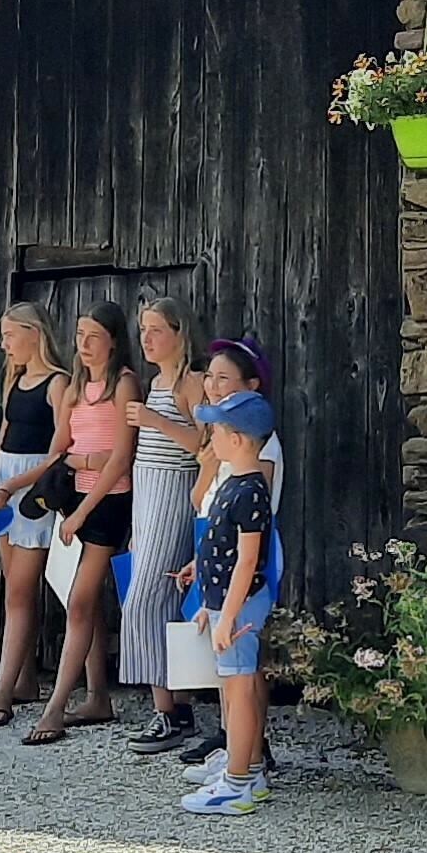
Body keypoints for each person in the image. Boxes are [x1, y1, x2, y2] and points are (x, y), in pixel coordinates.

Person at [25, 303, 137, 742]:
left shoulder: (124, 384)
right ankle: (97, 695)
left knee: (80, 600)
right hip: (72, 496)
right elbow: (59, 448)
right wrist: (21, 483)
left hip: (106, 501)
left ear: (112, 339)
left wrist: (83, 509)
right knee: (78, 599)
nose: (84, 344)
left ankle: (54, 708)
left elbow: (121, 459)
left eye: (93, 336)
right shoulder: (75, 385)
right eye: (79, 335)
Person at [176, 351, 279, 817]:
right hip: (225, 604)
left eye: (216, 430)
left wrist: (229, 614)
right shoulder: (234, 483)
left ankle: (237, 782)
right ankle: (248, 768)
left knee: (237, 693)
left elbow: (247, 560)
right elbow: (219, 551)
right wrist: (208, 602)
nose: (210, 436)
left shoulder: (249, 489)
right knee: (234, 688)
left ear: (236, 439)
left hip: (238, 608)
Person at [0, 303, 69, 727]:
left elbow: (62, 448)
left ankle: (3, 692)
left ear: (33, 333)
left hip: (32, 490)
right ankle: (23, 679)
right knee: (13, 588)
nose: (4, 343)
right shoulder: (17, 379)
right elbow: (2, 438)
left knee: (21, 591)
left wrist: (16, 483)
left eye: (9, 334)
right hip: (4, 483)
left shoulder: (58, 384)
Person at [116, 295, 209, 757]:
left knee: (145, 599)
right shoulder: (154, 381)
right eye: (143, 330)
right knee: (155, 599)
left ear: (178, 333)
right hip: (149, 495)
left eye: (155, 330)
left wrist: (155, 420)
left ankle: (170, 711)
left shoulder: (191, 383)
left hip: (176, 492)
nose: (147, 339)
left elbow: (204, 446)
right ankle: (173, 706)